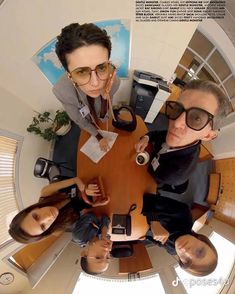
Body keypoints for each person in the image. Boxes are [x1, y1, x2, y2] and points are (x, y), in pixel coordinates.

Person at [135, 79, 229, 187]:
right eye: (178, 109)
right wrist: (146, 138)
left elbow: (152, 176)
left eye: (197, 118)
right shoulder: (177, 135)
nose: (176, 123)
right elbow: (158, 134)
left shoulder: (175, 173)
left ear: (207, 135)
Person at [53, 23, 120, 152]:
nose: (95, 83)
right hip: (88, 124)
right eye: (82, 72)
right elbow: (79, 120)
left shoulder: (113, 81)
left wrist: (105, 98)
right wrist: (99, 136)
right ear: (70, 76)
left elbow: (104, 117)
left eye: (101, 67)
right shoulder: (62, 92)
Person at [8, 177, 109, 244]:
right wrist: (95, 204)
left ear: (32, 209)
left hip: (88, 180)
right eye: (43, 227)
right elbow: (84, 211)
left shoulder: (46, 192)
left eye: (36, 216)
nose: (48, 216)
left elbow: (76, 180)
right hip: (98, 194)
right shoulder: (57, 229)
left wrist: (85, 190)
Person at [142, 193, 218, 276]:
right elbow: (147, 198)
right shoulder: (183, 213)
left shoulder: (172, 250)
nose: (186, 252)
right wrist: (154, 221)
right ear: (201, 240)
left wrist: (146, 237)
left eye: (187, 261)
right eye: (199, 252)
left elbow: (160, 243)